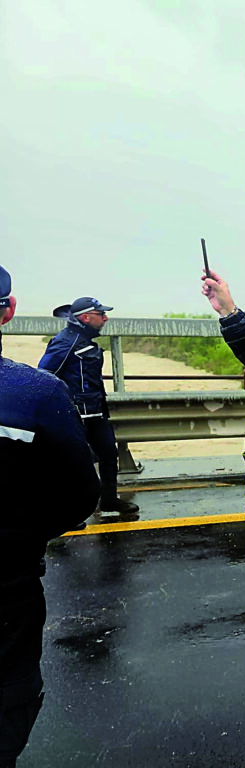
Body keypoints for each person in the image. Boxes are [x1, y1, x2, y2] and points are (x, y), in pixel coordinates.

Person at [0, 265, 100, 767]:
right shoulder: (35, 390)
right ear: (9, 310)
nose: (104, 317)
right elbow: (80, 494)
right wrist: (23, 537)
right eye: (99, 311)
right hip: (9, 592)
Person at [38, 296, 139, 515]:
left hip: (96, 413)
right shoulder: (66, 342)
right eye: (101, 315)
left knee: (109, 455)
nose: (105, 318)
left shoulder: (85, 341)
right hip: (74, 415)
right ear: (85, 317)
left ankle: (110, 500)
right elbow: (45, 376)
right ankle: (64, 512)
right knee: (71, 463)